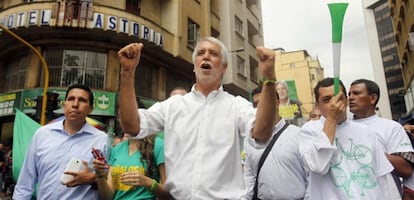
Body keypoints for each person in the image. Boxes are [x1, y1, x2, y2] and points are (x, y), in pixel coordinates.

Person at [117, 37, 277, 199]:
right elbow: (132, 126)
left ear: (224, 67)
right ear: (194, 66)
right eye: (201, 53)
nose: (206, 56)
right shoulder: (173, 106)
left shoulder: (236, 106)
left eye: (213, 53)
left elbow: (262, 134)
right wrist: (127, 73)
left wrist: (269, 79)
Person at [299, 77, 400, 199]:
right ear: (318, 105)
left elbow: (384, 179)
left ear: (346, 101)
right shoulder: (309, 130)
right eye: (327, 100)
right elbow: (317, 166)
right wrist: (331, 120)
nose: (333, 103)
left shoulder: (365, 131)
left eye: (338, 98)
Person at [13, 84, 110, 200]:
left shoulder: (102, 140)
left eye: (82, 100)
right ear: (64, 105)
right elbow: (25, 183)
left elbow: (109, 187)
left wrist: (93, 179)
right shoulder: (42, 134)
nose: (75, 104)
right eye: (71, 99)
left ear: (90, 109)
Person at [349, 79, 414, 196]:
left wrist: (368, 153)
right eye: (349, 94)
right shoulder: (340, 130)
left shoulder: (392, 127)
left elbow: (406, 169)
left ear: (373, 98)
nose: (350, 98)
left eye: (356, 93)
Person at [242, 85, 307, 199]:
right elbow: (249, 176)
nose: (260, 108)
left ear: (277, 103)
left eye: (263, 102)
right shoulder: (251, 140)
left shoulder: (298, 135)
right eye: (256, 104)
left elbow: (310, 176)